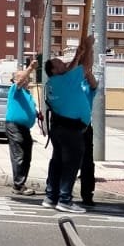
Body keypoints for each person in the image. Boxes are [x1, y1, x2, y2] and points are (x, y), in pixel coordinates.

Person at [41, 34, 95, 213]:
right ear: (54, 70)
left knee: (57, 162)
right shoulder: (64, 81)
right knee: (71, 164)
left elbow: (72, 68)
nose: (63, 64)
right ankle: (65, 199)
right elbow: (86, 67)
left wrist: (78, 55)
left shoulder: (55, 82)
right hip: (71, 130)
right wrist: (88, 47)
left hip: (60, 129)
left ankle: (51, 197)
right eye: (59, 63)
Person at [4, 66, 39, 193]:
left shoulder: (27, 93)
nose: (26, 79)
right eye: (22, 77)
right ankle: (18, 185)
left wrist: (36, 113)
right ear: (15, 80)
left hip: (24, 128)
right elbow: (19, 82)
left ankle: (20, 182)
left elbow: (28, 107)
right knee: (19, 155)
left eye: (27, 78)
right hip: (14, 126)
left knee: (27, 156)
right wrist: (30, 68)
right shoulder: (15, 89)